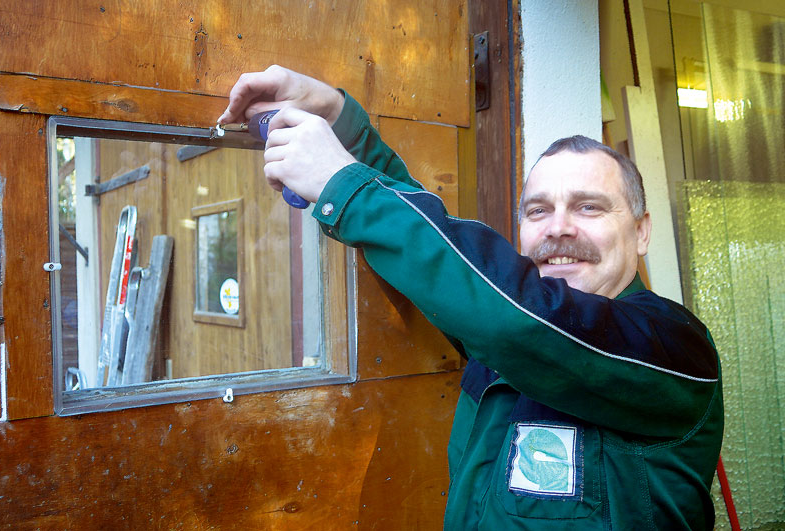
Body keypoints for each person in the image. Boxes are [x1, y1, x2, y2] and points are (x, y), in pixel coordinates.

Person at [219, 65, 724, 530]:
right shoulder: (492, 326)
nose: (559, 229)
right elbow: (448, 262)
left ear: (640, 233)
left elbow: (522, 320)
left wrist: (342, 185)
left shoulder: (673, 345)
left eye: (589, 208)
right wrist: (342, 122)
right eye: (538, 210)